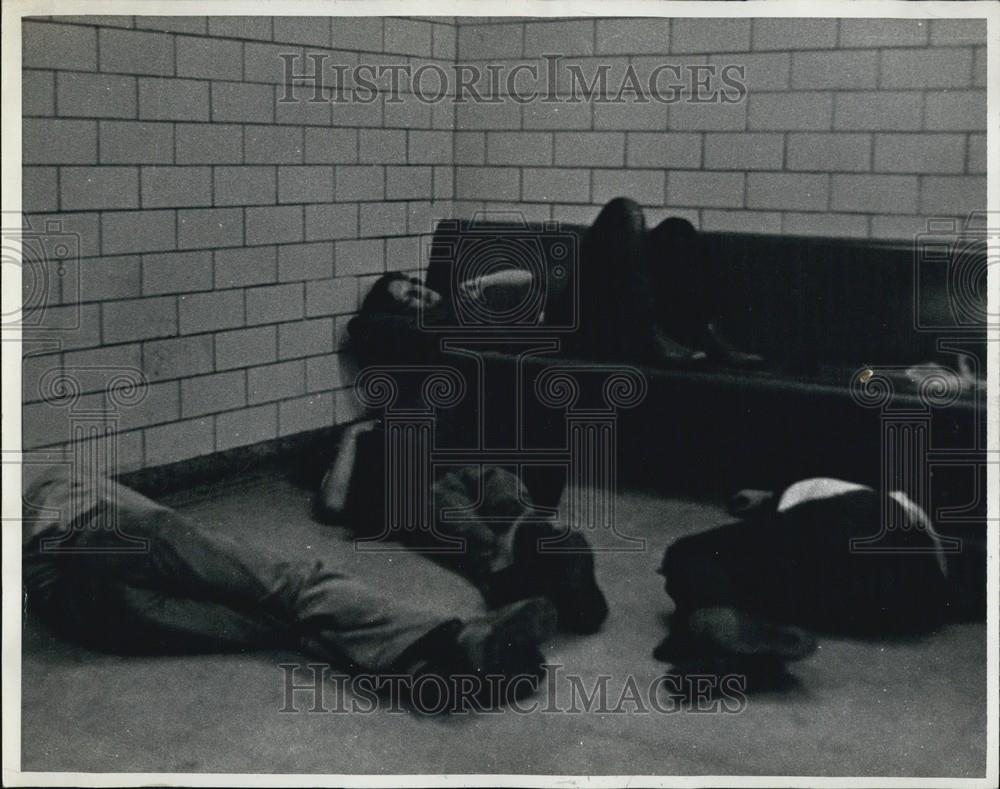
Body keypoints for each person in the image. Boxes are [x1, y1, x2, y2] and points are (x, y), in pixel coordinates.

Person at [22, 467, 557, 709]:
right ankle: (451, 641)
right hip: (94, 543)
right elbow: (160, 523)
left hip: (79, 607)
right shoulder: (57, 482)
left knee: (285, 619)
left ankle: (428, 672)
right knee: (292, 587)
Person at [347, 197, 761, 367]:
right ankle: (654, 340)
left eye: (413, 285)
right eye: (410, 300)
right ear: (405, 316)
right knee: (623, 212)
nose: (421, 293)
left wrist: (488, 281)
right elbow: (368, 327)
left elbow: (534, 279)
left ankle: (701, 337)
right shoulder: (440, 325)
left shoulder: (459, 296)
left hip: (574, 305)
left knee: (674, 230)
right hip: (565, 332)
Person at [655, 477, 985, 680]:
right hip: (904, 606)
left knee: (690, 551)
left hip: (856, 531)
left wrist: (769, 497)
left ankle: (710, 624)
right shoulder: (928, 542)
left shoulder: (809, 491)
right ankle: (733, 646)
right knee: (758, 589)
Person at [316, 419, 610, 635]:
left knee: (484, 487)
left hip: (447, 469)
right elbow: (332, 504)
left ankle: (518, 556)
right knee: (456, 507)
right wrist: (351, 435)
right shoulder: (354, 458)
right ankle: (521, 552)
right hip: (421, 493)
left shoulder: (371, 441)